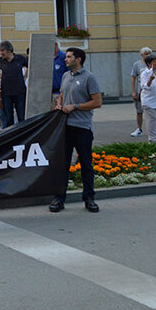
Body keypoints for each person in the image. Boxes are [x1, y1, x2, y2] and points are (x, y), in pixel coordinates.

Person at [51, 47, 103, 213]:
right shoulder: (66, 76)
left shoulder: (89, 77)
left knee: (86, 164)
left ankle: (89, 198)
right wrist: (59, 104)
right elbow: (62, 94)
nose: (65, 59)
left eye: (69, 57)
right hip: (65, 127)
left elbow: (97, 102)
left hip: (82, 127)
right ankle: (59, 198)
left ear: (78, 59)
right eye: (66, 57)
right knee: (63, 164)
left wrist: (75, 106)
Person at [0, 41, 28, 127]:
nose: (1, 53)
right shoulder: (0, 61)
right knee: (9, 118)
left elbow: (30, 66)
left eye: (2, 51)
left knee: (21, 117)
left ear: (9, 50)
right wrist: (1, 77)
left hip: (20, 92)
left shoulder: (20, 58)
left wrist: (25, 76)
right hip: (6, 93)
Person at [130, 47, 152, 137]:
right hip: (140, 91)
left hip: (150, 91)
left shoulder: (152, 64)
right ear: (142, 55)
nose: (147, 55)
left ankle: (153, 129)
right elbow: (133, 78)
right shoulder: (137, 64)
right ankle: (139, 129)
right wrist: (134, 91)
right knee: (139, 111)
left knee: (151, 111)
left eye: (149, 53)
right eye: (146, 54)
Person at [52, 42, 68, 109]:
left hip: (60, 94)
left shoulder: (64, 57)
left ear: (55, 44)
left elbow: (70, 75)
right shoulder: (46, 57)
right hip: (48, 94)